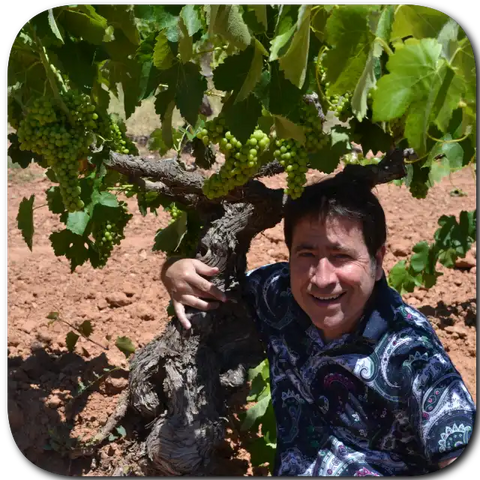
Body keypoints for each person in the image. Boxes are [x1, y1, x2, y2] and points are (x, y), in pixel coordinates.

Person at [161, 175, 475, 476]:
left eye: (341, 256)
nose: (322, 279)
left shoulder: (413, 354)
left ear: (378, 261)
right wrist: (173, 271)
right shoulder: (279, 294)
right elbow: (213, 284)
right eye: (307, 254)